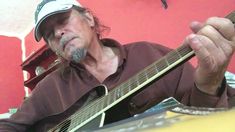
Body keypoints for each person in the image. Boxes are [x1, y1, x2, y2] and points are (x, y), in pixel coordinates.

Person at [1, 0, 235, 131]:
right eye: (50, 35)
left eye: (62, 21)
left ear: (89, 19)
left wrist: (210, 82)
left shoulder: (149, 54)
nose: (58, 33)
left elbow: (205, 120)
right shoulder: (49, 88)